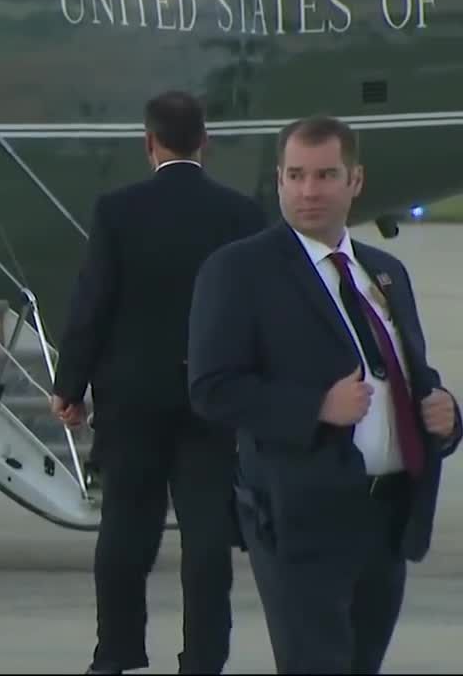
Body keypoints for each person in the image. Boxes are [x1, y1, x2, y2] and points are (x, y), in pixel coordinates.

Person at [188, 115, 461, 673]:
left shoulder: (384, 273)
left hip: (387, 516)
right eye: (296, 175)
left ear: (355, 181)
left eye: (325, 175)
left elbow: (412, 376)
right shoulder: (241, 271)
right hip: (300, 518)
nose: (309, 190)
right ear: (280, 180)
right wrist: (315, 408)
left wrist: (447, 415)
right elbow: (212, 389)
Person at [49, 91, 265, 674]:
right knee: (206, 537)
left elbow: (92, 304)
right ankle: (203, 657)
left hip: (133, 398)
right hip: (211, 397)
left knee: (124, 531)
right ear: (205, 142)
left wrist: (69, 385)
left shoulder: (118, 210)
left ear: (149, 143)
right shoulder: (240, 215)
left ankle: (116, 650)